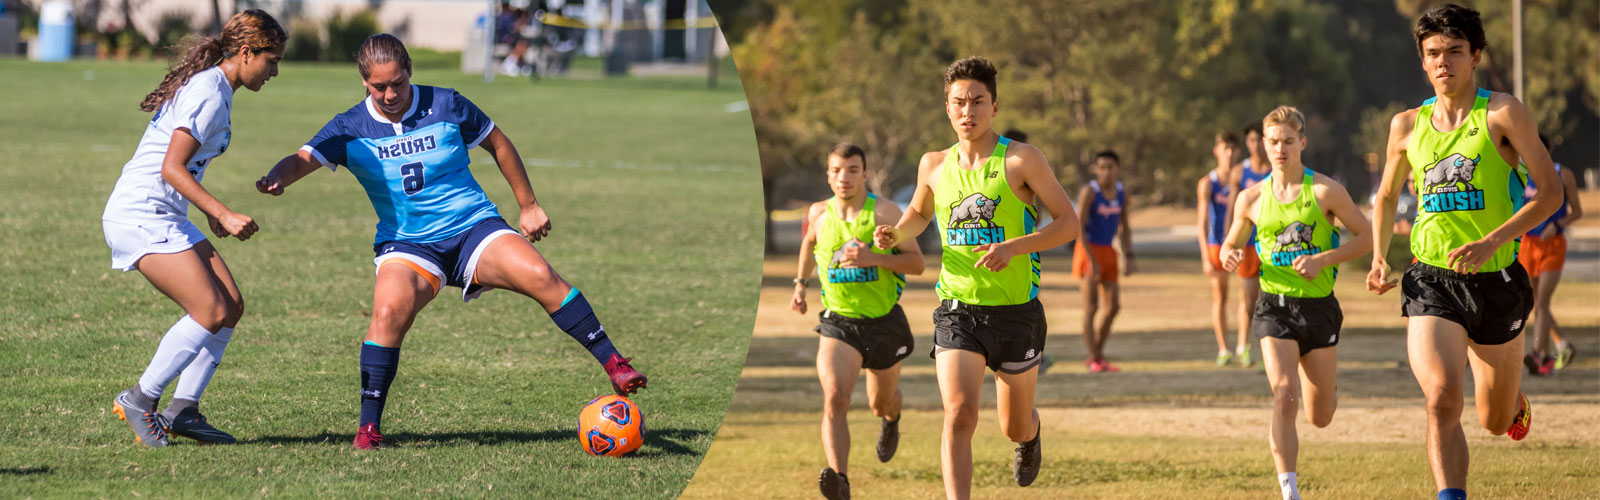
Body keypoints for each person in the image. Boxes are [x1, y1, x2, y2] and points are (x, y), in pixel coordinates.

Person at [254, 34, 646, 450]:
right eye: (378, 87)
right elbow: (305, 156)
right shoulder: (349, 127)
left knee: (539, 273)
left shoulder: (446, 103)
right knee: (387, 312)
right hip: (409, 245)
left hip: (473, 227)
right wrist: (278, 177)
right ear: (363, 83)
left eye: (398, 84)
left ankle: (615, 363)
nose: (389, 94)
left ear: (410, 73)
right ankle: (369, 427)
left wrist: (528, 204)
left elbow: (498, 142)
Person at [1367, 5, 1562, 499]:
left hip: (1497, 280)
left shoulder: (1501, 113)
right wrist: (1378, 255)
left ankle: (1510, 395)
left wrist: (1494, 240)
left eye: (1454, 51)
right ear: (1423, 61)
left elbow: (1551, 192)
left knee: (1494, 421)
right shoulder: (1406, 126)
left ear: (1475, 56)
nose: (1443, 62)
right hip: (1431, 278)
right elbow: (1387, 194)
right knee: (1440, 398)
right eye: (1433, 53)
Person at [874, 56, 1081, 500]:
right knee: (960, 414)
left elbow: (1068, 224)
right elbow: (919, 215)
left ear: (995, 107)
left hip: (1016, 314)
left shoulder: (1022, 160)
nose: (968, 111)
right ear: (947, 108)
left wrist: (1014, 247)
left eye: (977, 102)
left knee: (1013, 425)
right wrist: (895, 233)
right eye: (959, 103)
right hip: (958, 311)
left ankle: (1030, 435)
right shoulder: (932, 164)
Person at [104, 9, 287, 447]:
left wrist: (204, 211)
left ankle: (183, 409)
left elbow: (185, 167)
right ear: (246, 53)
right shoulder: (208, 91)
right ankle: (139, 399)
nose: (275, 71)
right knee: (208, 311)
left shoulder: (217, 86)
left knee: (231, 305)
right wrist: (221, 212)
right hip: (141, 214)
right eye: (272, 60)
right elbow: (172, 167)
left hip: (166, 213)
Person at [1221, 106, 1373, 500]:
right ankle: (1290, 491)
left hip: (1319, 307)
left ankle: (1327, 388)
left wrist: (1323, 259)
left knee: (1319, 417)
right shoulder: (1251, 198)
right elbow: (1231, 244)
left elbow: (1368, 237)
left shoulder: (1324, 191)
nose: (1280, 149)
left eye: (1288, 141)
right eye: (1273, 142)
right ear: (1263, 145)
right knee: (1284, 395)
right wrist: (1229, 255)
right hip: (1274, 307)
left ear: (1302, 142)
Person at [791, 143, 925, 500]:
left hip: (883, 323)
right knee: (835, 398)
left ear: (865, 173)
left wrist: (874, 258)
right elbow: (809, 242)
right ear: (828, 175)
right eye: (836, 170)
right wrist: (800, 285)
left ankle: (891, 421)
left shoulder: (884, 211)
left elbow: (916, 263)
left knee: (880, 403)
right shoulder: (819, 212)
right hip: (839, 324)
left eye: (852, 169)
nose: (843, 177)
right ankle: (840, 481)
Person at [1519, 134, 1582, 375]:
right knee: (1534, 302)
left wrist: (1556, 225)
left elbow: (1577, 211)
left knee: (1543, 301)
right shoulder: (1520, 174)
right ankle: (1559, 346)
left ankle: (1539, 354)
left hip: (1553, 245)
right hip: (1527, 244)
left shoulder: (1562, 174)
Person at [1197, 132, 1259, 367]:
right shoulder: (1208, 183)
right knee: (1220, 298)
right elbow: (1202, 221)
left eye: (1233, 149)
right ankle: (1223, 349)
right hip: (1216, 244)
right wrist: (1204, 254)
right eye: (1225, 148)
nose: (1230, 153)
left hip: (1245, 244)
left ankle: (1243, 345)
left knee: (1248, 297)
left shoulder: (1244, 178)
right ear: (1217, 151)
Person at [1072, 150, 1133, 373]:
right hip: (1088, 250)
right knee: (1091, 307)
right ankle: (1094, 357)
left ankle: (1096, 352)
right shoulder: (1090, 192)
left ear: (1117, 169)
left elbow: (1125, 225)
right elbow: (1078, 227)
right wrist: (1092, 260)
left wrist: (1129, 254)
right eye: (1102, 167)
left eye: (1110, 167)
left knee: (1114, 306)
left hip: (1108, 251)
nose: (1106, 171)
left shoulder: (1121, 192)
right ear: (1097, 170)